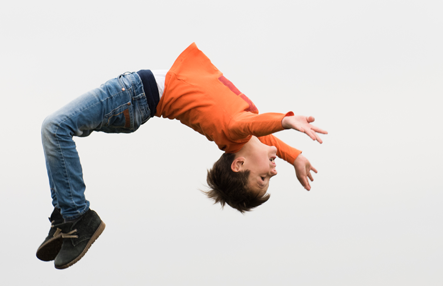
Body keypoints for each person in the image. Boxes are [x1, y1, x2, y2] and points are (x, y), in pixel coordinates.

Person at [36, 43, 327, 270]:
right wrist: (296, 156)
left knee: (56, 127)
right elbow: (261, 132)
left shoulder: (234, 129)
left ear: (239, 165)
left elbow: (258, 126)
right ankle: (65, 216)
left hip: (134, 95)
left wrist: (287, 121)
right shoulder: (239, 135)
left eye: (263, 177)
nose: (272, 173)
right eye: (267, 177)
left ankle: (76, 217)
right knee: (59, 130)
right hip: (135, 99)